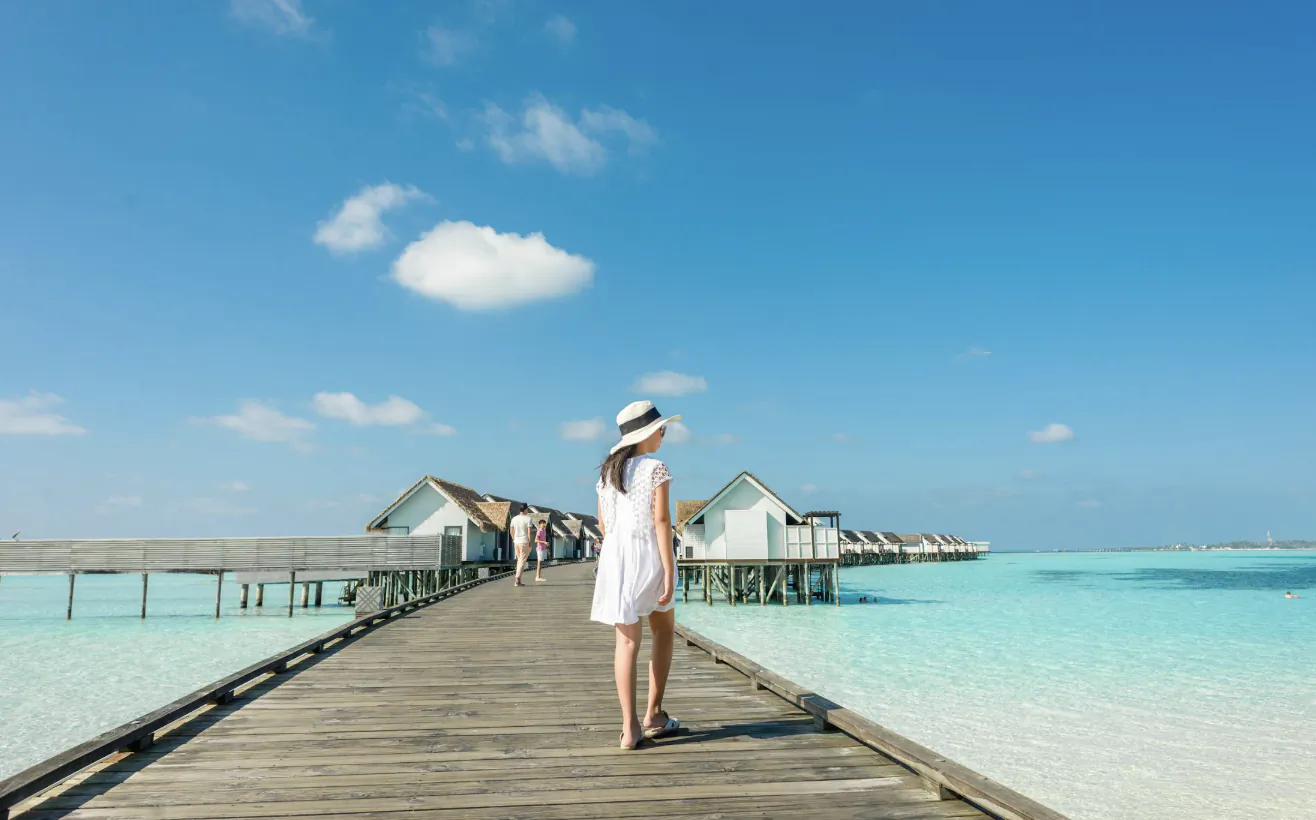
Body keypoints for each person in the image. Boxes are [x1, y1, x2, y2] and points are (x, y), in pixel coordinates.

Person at [591, 400, 681, 750]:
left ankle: (629, 728)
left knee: (626, 642)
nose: (664, 434)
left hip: (615, 556)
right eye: (662, 428)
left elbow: (603, 524)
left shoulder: (606, 474)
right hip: (648, 553)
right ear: (648, 433)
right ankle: (654, 713)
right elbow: (661, 521)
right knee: (663, 631)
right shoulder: (655, 468)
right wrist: (669, 568)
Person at [510, 505, 533, 587]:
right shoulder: (528, 519)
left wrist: (514, 539)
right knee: (522, 561)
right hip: (524, 541)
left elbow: (511, 531)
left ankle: (518, 580)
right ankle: (517, 579)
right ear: (526, 510)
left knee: (519, 560)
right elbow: (530, 532)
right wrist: (530, 542)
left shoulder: (514, 519)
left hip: (516, 542)